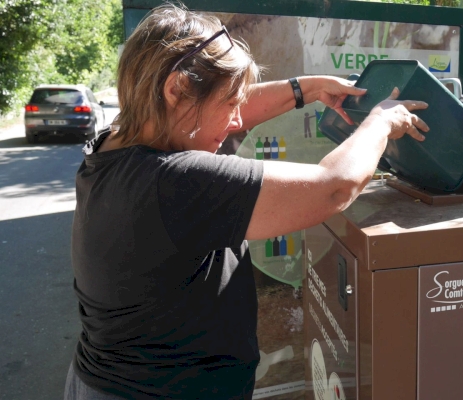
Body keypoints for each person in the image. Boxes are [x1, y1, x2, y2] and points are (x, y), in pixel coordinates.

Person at [65, 3, 428, 399]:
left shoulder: (113, 146)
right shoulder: (175, 182)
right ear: (177, 89)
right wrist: (380, 122)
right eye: (230, 103)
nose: (238, 121)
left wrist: (305, 89)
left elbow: (218, 109)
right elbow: (334, 187)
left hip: (105, 381)